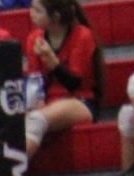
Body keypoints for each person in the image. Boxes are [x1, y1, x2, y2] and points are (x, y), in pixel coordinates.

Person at [23, 0, 99, 159]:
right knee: (15, 122)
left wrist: (53, 62)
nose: (31, 13)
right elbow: (35, 79)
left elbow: (75, 83)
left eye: (37, 10)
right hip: (48, 101)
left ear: (55, 17)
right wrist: (37, 100)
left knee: (36, 120)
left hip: (80, 100)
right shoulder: (34, 38)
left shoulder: (82, 35)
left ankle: (7, 172)